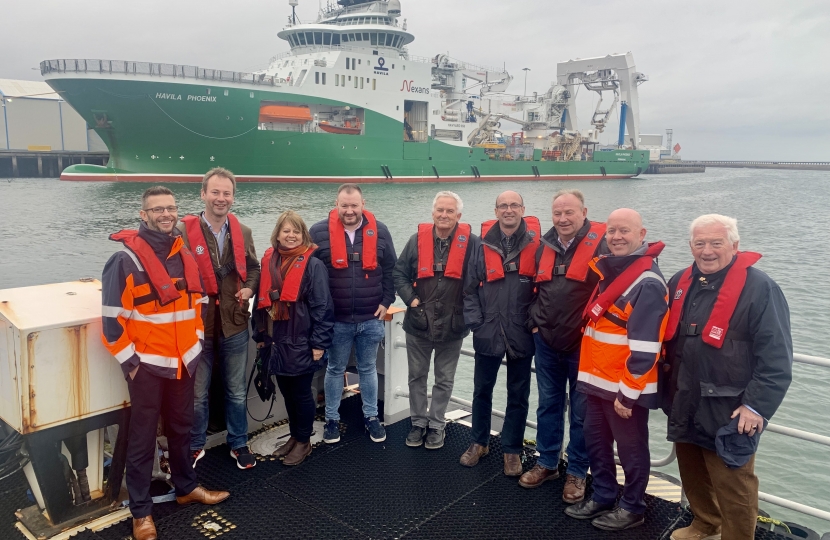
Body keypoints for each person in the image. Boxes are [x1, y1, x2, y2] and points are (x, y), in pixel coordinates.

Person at [101, 186, 229, 540]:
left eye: (171, 208)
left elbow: (200, 303)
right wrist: (131, 363)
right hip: (146, 368)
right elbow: (112, 322)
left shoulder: (184, 254)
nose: (166, 214)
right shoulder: (124, 261)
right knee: (142, 440)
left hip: (183, 362)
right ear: (143, 215)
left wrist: (197, 344)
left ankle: (187, 487)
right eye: (157, 209)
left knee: (182, 429)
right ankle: (141, 513)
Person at [664, 214, 792, 540]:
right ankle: (706, 522)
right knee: (691, 471)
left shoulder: (761, 289)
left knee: (734, 482)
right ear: (691, 246)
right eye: (700, 243)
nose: (707, 251)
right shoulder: (680, 282)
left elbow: (776, 359)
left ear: (734, 246)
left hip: (732, 407)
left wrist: (756, 406)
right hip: (684, 397)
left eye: (716, 243)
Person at [564, 208, 668, 531]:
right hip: (596, 382)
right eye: (612, 231)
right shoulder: (611, 272)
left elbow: (647, 348)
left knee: (631, 449)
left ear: (642, 234)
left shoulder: (647, 283)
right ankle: (605, 495)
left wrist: (628, 393)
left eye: (625, 231)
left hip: (624, 390)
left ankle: (633, 506)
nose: (617, 237)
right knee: (596, 443)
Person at [522, 189, 608, 503]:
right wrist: (534, 323)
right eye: (557, 213)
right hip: (546, 340)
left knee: (583, 412)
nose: (562, 219)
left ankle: (577, 470)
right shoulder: (544, 246)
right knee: (548, 404)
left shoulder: (603, 244)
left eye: (569, 212)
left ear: (583, 212)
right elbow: (532, 290)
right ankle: (547, 462)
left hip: (584, 344)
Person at [178, 167, 260, 470]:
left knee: (236, 390)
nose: (220, 198)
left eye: (227, 193)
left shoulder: (245, 232)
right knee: (197, 394)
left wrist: (250, 288)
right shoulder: (181, 232)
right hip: (197, 327)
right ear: (203, 194)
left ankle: (239, 442)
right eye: (215, 192)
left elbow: (254, 268)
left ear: (233, 198)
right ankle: (196, 444)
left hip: (234, 324)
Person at [460, 191, 540, 476]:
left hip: (521, 331)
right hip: (488, 329)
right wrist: (477, 324)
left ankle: (512, 450)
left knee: (518, 394)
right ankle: (478, 442)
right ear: (495, 211)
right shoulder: (480, 246)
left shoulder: (537, 245)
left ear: (523, 209)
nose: (509, 210)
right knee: (482, 390)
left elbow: (543, 291)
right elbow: (468, 290)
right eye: (503, 206)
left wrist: (533, 322)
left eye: (514, 205)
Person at [309, 183, 397, 444]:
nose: (349, 210)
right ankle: (332, 419)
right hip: (336, 320)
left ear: (363, 204)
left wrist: (387, 300)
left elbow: (392, 268)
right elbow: (309, 273)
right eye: (344, 205)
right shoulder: (317, 232)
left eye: (354, 205)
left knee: (368, 367)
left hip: (371, 317)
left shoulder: (380, 231)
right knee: (335, 369)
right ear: (336, 204)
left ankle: (371, 417)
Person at [393, 191, 476, 449]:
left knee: (444, 379)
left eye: (450, 211)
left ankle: (437, 425)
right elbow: (399, 273)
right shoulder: (415, 241)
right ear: (432, 213)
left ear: (458, 216)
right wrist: (412, 300)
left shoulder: (472, 243)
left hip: (453, 325)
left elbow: (481, 280)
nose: (444, 215)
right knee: (416, 376)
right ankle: (418, 423)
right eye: (440, 210)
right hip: (418, 323)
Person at [253, 211, 335, 466]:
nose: (291, 236)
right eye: (286, 231)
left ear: (304, 235)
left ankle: (304, 441)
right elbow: (260, 302)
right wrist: (259, 336)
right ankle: (294, 436)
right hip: (275, 341)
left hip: (300, 341)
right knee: (286, 391)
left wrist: (319, 344)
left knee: (301, 393)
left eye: (296, 231)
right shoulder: (269, 261)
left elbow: (323, 307)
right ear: (277, 234)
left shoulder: (313, 265)